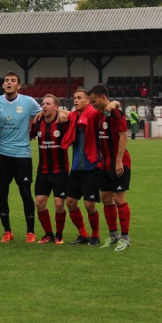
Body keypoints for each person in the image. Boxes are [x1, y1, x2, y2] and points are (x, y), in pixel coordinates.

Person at [0, 72, 42, 243]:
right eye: (6, 80)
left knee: (25, 193)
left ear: (19, 86)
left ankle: (30, 232)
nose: (9, 83)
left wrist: (63, 111)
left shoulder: (28, 102)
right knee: (1, 193)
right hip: (3, 155)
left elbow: (44, 114)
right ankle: (7, 231)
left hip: (23, 156)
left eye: (13, 81)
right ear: (3, 85)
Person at [89, 84, 133, 252]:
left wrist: (119, 160)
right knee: (106, 197)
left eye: (94, 101)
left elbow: (123, 137)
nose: (92, 104)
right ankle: (113, 235)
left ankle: (125, 237)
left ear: (103, 98)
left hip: (119, 163)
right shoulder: (100, 115)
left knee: (119, 198)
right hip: (104, 164)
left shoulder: (115, 113)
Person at [61, 89, 102, 246]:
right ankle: (83, 234)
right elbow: (63, 111)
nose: (75, 100)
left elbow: (104, 111)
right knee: (70, 201)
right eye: (74, 98)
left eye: (79, 98)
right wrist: (58, 110)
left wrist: (114, 103)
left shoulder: (93, 115)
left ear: (88, 101)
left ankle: (95, 235)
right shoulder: (73, 117)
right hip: (76, 168)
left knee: (89, 204)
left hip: (91, 167)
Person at [30, 94, 70, 244]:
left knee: (59, 204)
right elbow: (28, 135)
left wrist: (62, 113)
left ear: (56, 107)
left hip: (60, 170)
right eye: (43, 104)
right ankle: (48, 234)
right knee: (39, 203)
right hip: (43, 171)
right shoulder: (38, 122)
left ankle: (59, 235)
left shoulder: (63, 121)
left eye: (48, 104)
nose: (44, 106)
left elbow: (77, 115)